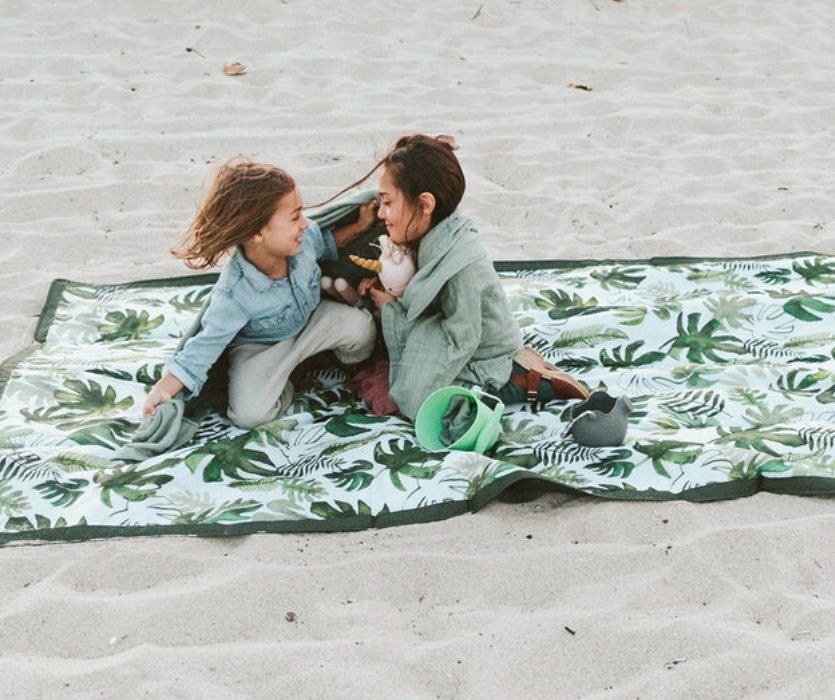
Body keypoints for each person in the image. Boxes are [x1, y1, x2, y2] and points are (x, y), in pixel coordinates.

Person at [326, 133, 587, 421]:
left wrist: (392, 312)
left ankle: (529, 380)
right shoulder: (433, 232)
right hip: (464, 340)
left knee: (416, 399)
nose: (383, 214)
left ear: (425, 204)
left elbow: (460, 339)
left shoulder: (461, 263)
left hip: (484, 356)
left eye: (388, 203)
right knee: (390, 375)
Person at [143, 158, 378, 429]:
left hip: (311, 323)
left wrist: (359, 227)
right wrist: (164, 387)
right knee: (249, 415)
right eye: (294, 217)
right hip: (261, 347)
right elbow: (202, 348)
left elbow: (328, 242)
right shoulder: (235, 295)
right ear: (256, 233)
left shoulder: (304, 239)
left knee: (361, 328)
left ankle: (339, 364)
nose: (305, 223)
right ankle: (288, 378)